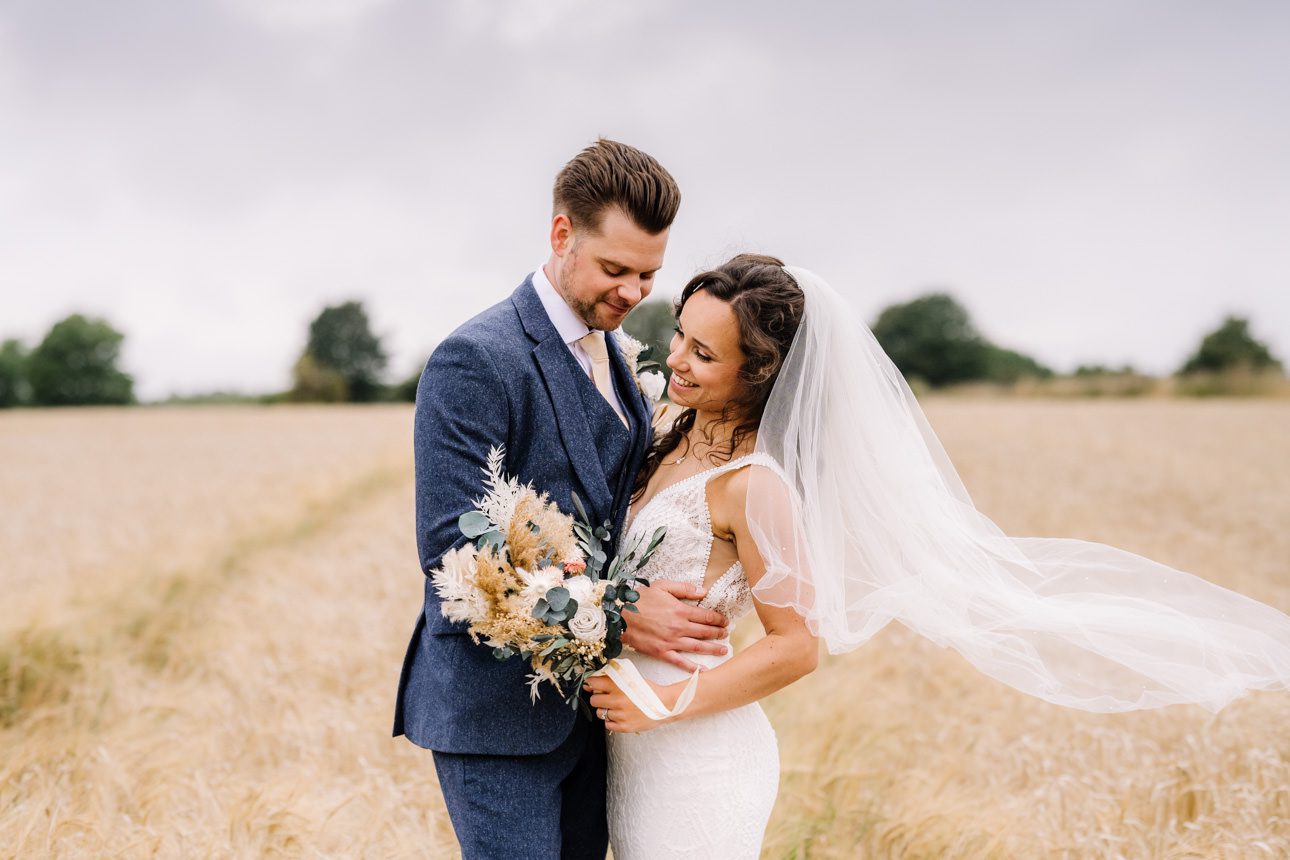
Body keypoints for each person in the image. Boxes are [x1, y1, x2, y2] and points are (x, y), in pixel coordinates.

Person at [584, 253, 1290, 859]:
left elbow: (798, 647)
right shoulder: (664, 431)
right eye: (681, 335)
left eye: (703, 354)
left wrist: (666, 704)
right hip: (631, 744)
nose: (675, 359)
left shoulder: (756, 486)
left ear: (760, 373)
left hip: (694, 754)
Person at [391, 139, 731, 859]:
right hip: (494, 715)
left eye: (648, 274)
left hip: (600, 715)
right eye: (615, 269)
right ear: (560, 234)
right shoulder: (475, 358)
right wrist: (618, 612)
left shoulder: (615, 352)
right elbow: (453, 547)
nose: (635, 293)